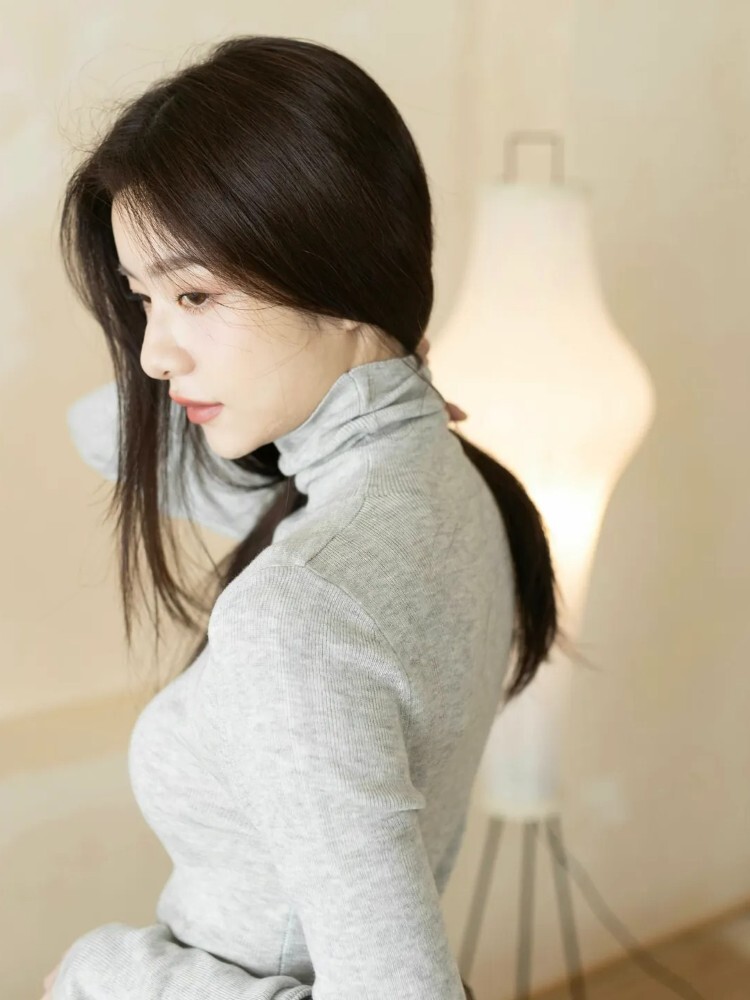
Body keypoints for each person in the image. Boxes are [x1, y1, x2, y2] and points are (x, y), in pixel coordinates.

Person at [46, 35, 563, 1000]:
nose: (153, 355)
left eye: (195, 293)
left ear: (338, 271)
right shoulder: (460, 489)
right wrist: (366, 375)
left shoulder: (301, 610)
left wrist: (107, 971)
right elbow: (101, 431)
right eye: (141, 299)